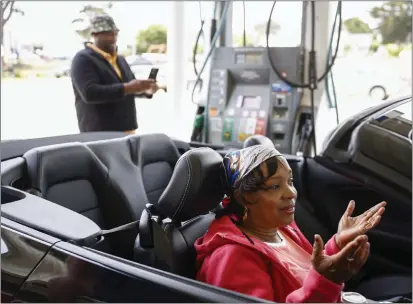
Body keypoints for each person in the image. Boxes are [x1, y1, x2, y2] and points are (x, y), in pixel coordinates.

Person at [195, 145, 386, 303]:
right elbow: (319, 283)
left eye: (290, 181)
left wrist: (338, 243)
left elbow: (312, 273)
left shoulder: (281, 229)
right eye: (275, 186)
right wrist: (328, 280)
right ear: (246, 196)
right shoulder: (232, 257)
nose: (292, 193)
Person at [70, 14, 159, 134]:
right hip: (99, 133)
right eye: (107, 34)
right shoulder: (83, 59)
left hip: (127, 130)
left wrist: (146, 90)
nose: (113, 38)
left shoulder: (120, 59)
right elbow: (90, 93)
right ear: (94, 35)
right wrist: (128, 88)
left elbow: (130, 88)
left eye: (115, 33)